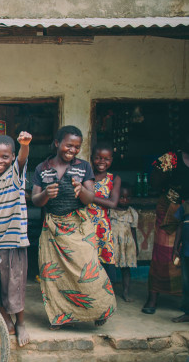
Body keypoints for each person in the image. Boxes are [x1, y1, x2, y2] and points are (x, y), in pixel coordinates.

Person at [31, 126, 116, 329]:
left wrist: (81, 191)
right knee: (54, 275)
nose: (73, 150)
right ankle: (60, 317)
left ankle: (98, 310)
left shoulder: (84, 166)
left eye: (77, 147)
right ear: (57, 143)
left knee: (89, 271)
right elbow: (35, 200)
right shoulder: (42, 168)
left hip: (79, 227)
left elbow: (89, 198)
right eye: (69, 145)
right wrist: (45, 195)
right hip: (52, 228)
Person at [0, 131, 32, 347]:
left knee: (14, 287)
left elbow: (23, 159)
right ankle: (6, 322)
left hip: (12, 243)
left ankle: (20, 323)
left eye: (5, 157)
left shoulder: (14, 176)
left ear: (12, 157)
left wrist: (24, 145)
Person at [142, 136, 189, 314]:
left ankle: (185, 300)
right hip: (170, 208)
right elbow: (153, 182)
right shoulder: (171, 159)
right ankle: (153, 297)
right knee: (164, 253)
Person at [86, 142, 121, 281]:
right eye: (98, 158)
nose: (102, 162)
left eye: (106, 159)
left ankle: (106, 296)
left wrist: (88, 196)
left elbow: (112, 203)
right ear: (92, 158)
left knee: (105, 259)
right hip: (85, 223)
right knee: (86, 259)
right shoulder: (86, 176)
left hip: (102, 226)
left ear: (111, 160)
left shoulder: (114, 179)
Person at [109, 184, 139, 302]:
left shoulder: (132, 213)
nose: (125, 200)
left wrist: (135, 246)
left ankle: (126, 292)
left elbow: (133, 230)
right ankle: (108, 293)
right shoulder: (110, 211)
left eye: (128, 197)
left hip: (126, 244)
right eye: (121, 197)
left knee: (126, 269)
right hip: (112, 243)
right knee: (110, 268)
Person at [171, 200, 189, 323]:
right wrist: (175, 246)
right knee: (186, 282)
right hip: (187, 251)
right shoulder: (186, 205)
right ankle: (187, 313)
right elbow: (180, 226)